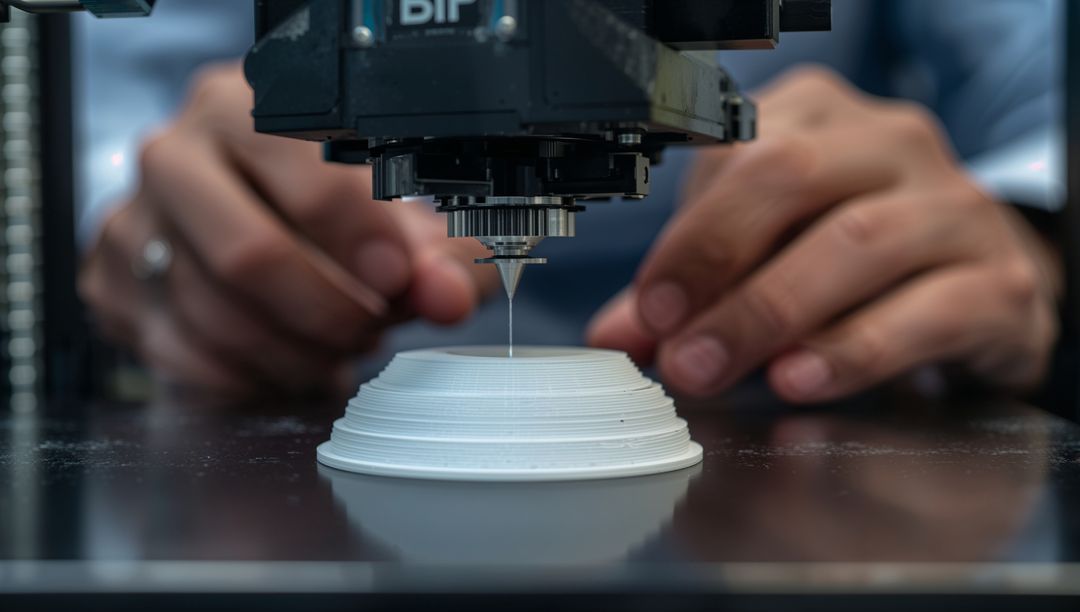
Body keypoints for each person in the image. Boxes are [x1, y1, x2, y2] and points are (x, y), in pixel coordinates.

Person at [76, 0, 1064, 401]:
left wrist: (1026, 232)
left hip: (775, 394)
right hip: (303, 392)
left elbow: (1042, 98)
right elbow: (102, 107)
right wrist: (131, 217)